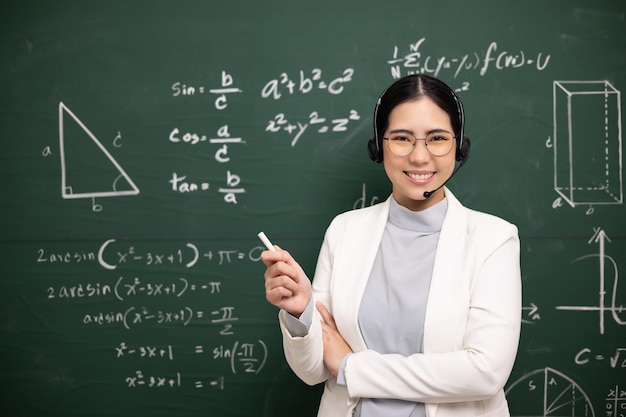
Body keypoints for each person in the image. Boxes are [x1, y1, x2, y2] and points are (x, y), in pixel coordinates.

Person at [261, 73, 521, 417]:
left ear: (459, 146)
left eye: (437, 138)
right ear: (378, 147)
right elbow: (313, 371)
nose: (419, 157)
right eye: (401, 138)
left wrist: (351, 367)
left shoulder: (493, 239)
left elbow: (484, 373)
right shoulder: (344, 231)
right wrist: (299, 313)